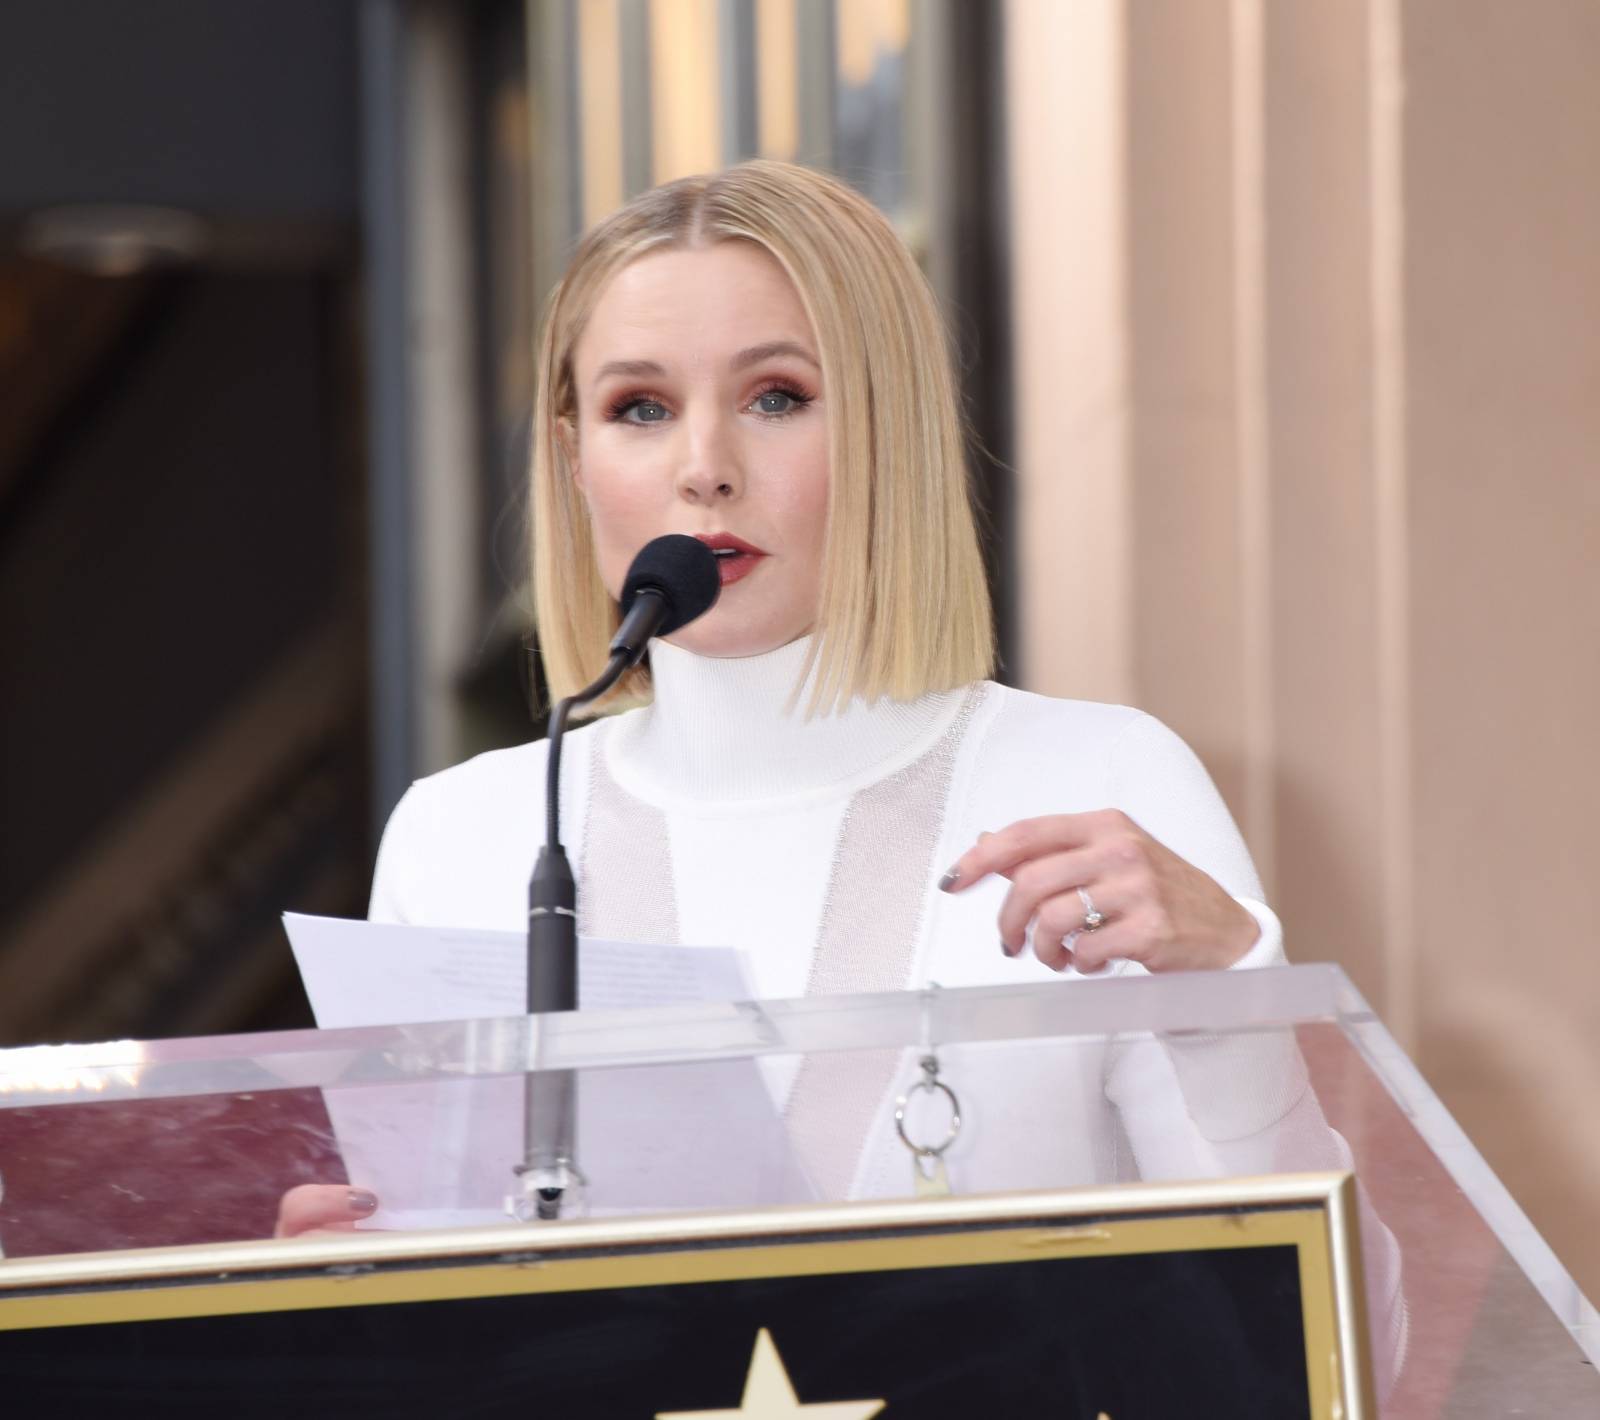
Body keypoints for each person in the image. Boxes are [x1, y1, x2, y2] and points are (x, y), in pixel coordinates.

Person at [278, 161, 1405, 1390]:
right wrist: (350, 1308)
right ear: (571, 454)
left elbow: (1335, 1360)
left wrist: (1229, 989)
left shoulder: (1096, 779)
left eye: (775, 395)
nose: (702, 466)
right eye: (639, 408)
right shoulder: (465, 834)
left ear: (887, 426)